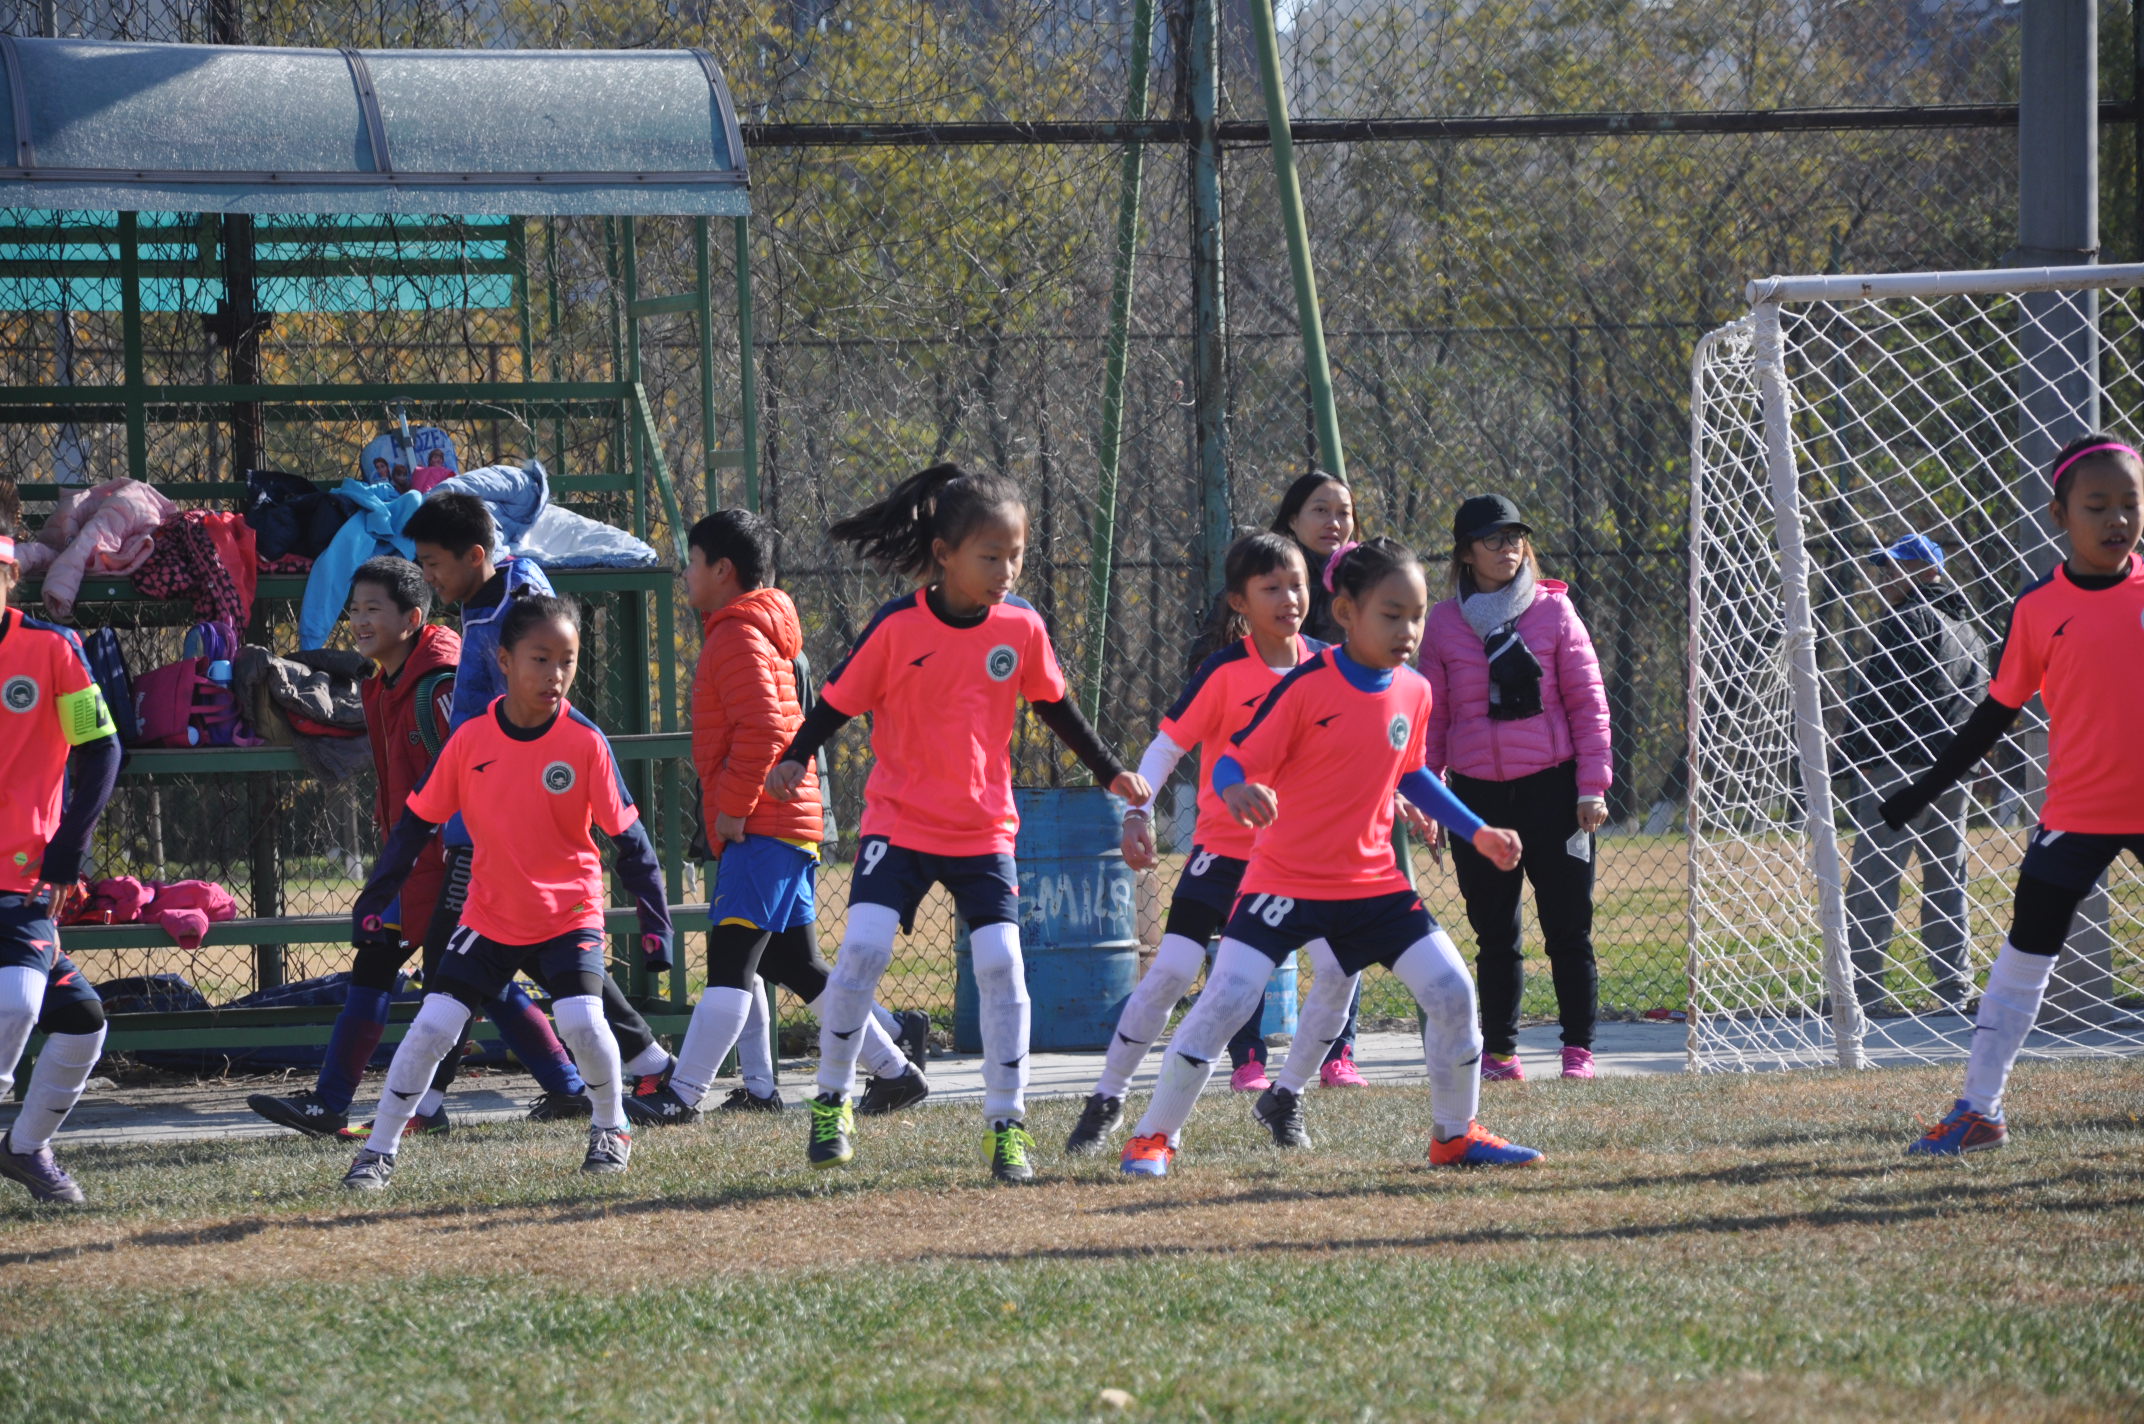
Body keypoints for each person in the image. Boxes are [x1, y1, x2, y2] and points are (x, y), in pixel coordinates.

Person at [766, 462, 1149, 1183]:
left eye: (1017, 555)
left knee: (1002, 963)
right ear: (944, 555)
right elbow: (838, 703)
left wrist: (1110, 772)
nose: (1007, 569)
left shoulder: (1021, 626)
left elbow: (1056, 706)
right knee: (863, 954)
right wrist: (793, 759)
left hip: (982, 829)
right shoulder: (897, 626)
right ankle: (831, 1101)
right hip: (900, 822)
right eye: (991, 555)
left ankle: (1007, 1124)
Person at [1117, 538, 1541, 1178]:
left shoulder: (1416, 692)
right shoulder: (1305, 687)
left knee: (1453, 992)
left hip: (1372, 884)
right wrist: (1235, 787)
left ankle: (1455, 1137)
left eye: (1418, 615)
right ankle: (1152, 1137)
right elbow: (1235, 757)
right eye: (1391, 614)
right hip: (1283, 880)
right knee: (1226, 999)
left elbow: (1413, 773)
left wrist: (1476, 830)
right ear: (1346, 613)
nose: (1408, 630)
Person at [341, 596, 672, 1188]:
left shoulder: (584, 742)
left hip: (568, 910)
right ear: (504, 659)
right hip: (490, 915)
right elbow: (415, 825)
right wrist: (374, 899)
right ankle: (377, 1151)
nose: (555, 675)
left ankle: (611, 1127)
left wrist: (657, 926)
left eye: (567, 661)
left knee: (582, 1021)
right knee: (432, 1029)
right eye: (540, 659)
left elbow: (633, 842)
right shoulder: (470, 740)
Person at [1884, 433, 2143, 1156]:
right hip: (2078, 815)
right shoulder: (2038, 608)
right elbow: (1995, 714)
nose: (2117, 519)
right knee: (2022, 960)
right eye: (2098, 505)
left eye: (2130, 504)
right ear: (2060, 513)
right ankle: (1980, 1109)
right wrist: (1926, 787)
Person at [628, 510, 927, 1125]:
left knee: (731, 958)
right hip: (785, 824)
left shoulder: (735, 635)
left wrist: (734, 811)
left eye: (691, 560)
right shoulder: (752, 630)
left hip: (764, 823)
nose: (685, 573)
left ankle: (683, 1094)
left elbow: (767, 732)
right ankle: (897, 1073)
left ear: (723, 570)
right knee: (793, 965)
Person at [404, 493, 680, 1122]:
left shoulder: (519, 597)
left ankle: (428, 1105)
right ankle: (648, 1067)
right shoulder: (481, 601)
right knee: (534, 963)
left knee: (454, 959)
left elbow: (539, 715)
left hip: (505, 814)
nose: (428, 577)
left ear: (476, 556)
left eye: (434, 563)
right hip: (482, 808)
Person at [1066, 532, 1324, 1154]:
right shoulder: (1224, 673)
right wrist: (1137, 811)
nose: (1289, 598)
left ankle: (1285, 1095)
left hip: (1304, 860)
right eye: (1271, 588)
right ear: (1240, 600)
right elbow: (1166, 747)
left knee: (1339, 972)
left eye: (1297, 585)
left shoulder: (1326, 667)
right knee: (1174, 971)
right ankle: (1107, 1095)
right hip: (1225, 853)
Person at [246, 557, 470, 1139]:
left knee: (472, 977)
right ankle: (331, 1103)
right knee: (393, 965)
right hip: (409, 858)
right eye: (355, 609)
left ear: (412, 618)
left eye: (373, 609)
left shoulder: (441, 684)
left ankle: (575, 1087)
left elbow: (464, 777)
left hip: (452, 860)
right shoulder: (379, 681)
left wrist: (456, 850)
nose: (359, 621)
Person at [1420, 494, 1610, 1081]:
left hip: (1554, 792)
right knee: (1494, 932)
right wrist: (1428, 795)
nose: (1508, 549)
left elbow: (1588, 704)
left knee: (1567, 928)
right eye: (1494, 539)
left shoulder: (1555, 613)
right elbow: (1433, 717)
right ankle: (1500, 1053)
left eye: (1515, 537)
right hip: (1477, 797)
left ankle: (1577, 1050)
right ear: (1467, 552)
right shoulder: (1445, 624)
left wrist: (1591, 786)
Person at [0, 509, 121, 1204]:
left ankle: (23, 1148)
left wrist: (66, 851)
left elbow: (100, 747)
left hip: (19, 883)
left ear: (13, 578)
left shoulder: (49, 652)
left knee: (68, 1019)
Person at [1838, 533, 1985, 1014]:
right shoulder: (1970, 630)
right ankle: (1955, 989)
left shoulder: (1908, 619)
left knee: (1874, 878)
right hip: (1950, 772)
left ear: (1927, 571)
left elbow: (1880, 699)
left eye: (1896, 568)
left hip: (1898, 769)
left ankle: (1862, 991)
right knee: (1948, 878)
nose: (1886, 578)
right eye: (1885, 569)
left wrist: (1850, 754)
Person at [1264, 471, 1369, 1087]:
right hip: (1275, 781)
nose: (1333, 521)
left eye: (1343, 511)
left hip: (1344, 779)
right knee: (1262, 919)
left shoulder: (1363, 580)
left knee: (1346, 919)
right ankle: (1248, 1053)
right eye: (1319, 509)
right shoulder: (1266, 575)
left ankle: (1339, 1052)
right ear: (1292, 519)